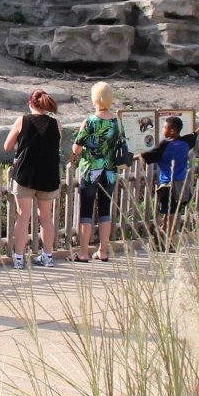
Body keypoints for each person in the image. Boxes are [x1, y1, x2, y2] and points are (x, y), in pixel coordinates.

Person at [5, 88, 62, 269]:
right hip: (48, 175)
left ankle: (19, 258)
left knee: (23, 217)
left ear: (30, 103)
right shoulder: (56, 124)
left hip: (25, 175)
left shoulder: (22, 121)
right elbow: (55, 146)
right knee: (46, 217)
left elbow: (7, 146)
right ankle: (47, 256)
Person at [67, 81, 123, 262]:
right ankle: (103, 251)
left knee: (86, 211)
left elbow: (76, 148)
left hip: (91, 170)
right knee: (105, 210)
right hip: (110, 171)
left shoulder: (90, 121)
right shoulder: (117, 122)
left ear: (95, 98)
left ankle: (83, 253)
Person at [140, 115, 196, 252]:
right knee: (172, 215)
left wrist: (135, 158)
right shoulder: (185, 143)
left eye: (165, 127)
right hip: (180, 185)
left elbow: (146, 156)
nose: (163, 130)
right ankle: (160, 239)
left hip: (166, 185)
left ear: (172, 131)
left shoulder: (165, 145)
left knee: (169, 215)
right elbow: (196, 134)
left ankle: (167, 242)